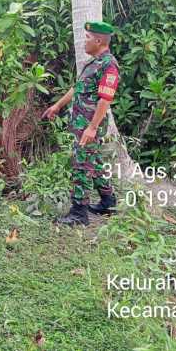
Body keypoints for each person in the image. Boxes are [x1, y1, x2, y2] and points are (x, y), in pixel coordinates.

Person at [42, 21, 120, 226]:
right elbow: (77, 88)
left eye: (87, 38)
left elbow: (105, 99)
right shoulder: (92, 62)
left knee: (81, 166)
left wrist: (92, 128)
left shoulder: (108, 65)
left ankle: (79, 213)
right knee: (93, 163)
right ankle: (108, 202)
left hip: (89, 126)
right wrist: (57, 106)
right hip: (82, 124)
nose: (84, 41)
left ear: (98, 40)